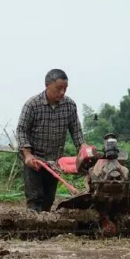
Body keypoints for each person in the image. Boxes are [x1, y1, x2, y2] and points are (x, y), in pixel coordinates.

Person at [16, 69, 85, 212]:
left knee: (48, 200)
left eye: (65, 89)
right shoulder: (32, 105)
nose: (62, 92)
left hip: (55, 161)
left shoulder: (69, 105)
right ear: (47, 85)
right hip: (35, 160)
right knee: (35, 199)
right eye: (58, 88)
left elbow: (76, 130)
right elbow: (22, 130)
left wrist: (83, 149)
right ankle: (32, 229)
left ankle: (44, 230)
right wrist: (28, 155)